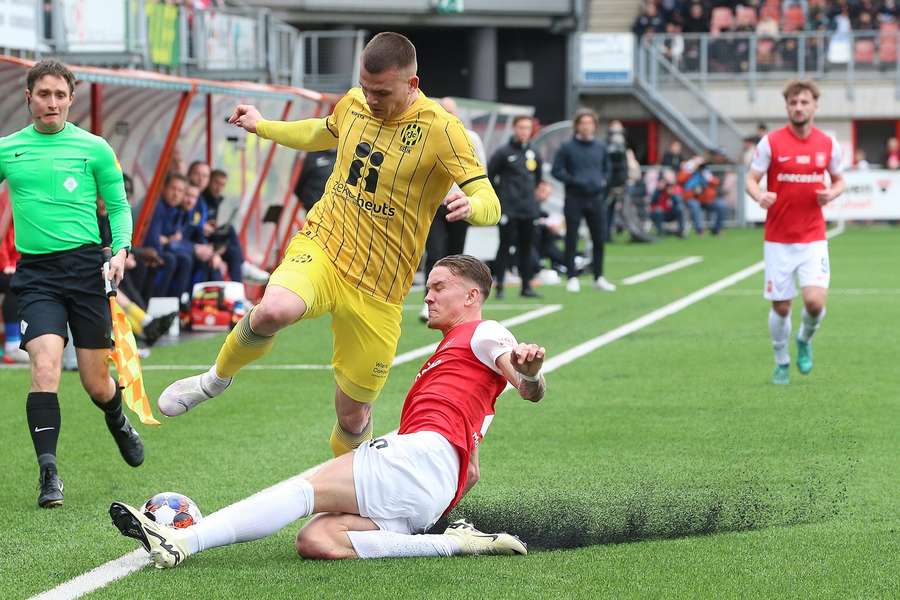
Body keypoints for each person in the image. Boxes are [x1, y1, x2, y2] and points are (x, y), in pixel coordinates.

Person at [157, 32, 501, 459]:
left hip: (380, 285)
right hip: (325, 243)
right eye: (365, 86)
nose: (370, 98)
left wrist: (473, 205)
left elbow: (490, 199)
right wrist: (263, 125)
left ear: (412, 85)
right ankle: (213, 380)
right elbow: (321, 131)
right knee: (275, 309)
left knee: (353, 416)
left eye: (382, 91)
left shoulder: (444, 131)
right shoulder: (354, 102)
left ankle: (349, 490)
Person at [110, 255, 543, 565]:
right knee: (317, 539)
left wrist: (530, 374)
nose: (427, 296)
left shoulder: (483, 332)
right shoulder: (460, 359)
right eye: (426, 287)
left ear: (471, 295)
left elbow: (526, 387)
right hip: (435, 488)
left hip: (420, 458)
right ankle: (457, 543)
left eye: (437, 287)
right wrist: (432, 510)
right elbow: (471, 473)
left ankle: (182, 542)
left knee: (302, 491)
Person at [0, 60, 143, 508]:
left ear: (70, 99)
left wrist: (120, 250)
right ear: (29, 97)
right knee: (44, 369)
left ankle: (117, 417)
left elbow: (118, 206)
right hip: (37, 274)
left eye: (60, 95)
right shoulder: (8, 149)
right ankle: (49, 473)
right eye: (44, 94)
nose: (52, 103)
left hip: (85, 272)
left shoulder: (95, 148)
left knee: (96, 383)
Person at [746, 79, 844, 385]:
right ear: (787, 106)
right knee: (782, 306)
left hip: (813, 237)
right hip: (778, 239)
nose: (798, 107)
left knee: (815, 303)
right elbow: (751, 179)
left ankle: (804, 339)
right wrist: (758, 195)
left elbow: (840, 180)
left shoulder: (828, 144)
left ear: (815, 105)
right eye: (793, 103)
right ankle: (781, 360)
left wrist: (833, 193)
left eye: (804, 102)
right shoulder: (770, 143)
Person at [419, 97, 487, 322]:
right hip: (435, 205)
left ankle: (456, 301)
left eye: (450, 111)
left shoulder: (470, 138)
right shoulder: (428, 137)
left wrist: (475, 201)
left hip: (461, 204)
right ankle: (428, 301)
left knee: (457, 256)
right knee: (436, 253)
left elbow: (481, 170)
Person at [551, 108, 616, 294]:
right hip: (574, 197)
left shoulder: (601, 146)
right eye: (583, 123)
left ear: (594, 126)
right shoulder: (567, 147)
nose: (587, 127)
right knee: (571, 237)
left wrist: (602, 181)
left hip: (596, 198)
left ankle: (599, 276)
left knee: (599, 237)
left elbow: (607, 169)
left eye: (590, 123)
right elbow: (557, 170)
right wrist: (575, 181)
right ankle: (572, 277)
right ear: (577, 126)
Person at [487, 115, 542, 299]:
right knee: (504, 246)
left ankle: (526, 286)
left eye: (527, 128)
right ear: (514, 129)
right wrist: (500, 197)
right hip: (509, 209)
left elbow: (538, 178)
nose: (524, 131)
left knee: (526, 247)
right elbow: (490, 175)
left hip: (529, 208)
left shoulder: (534, 151)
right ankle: (500, 285)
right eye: (521, 127)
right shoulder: (503, 152)